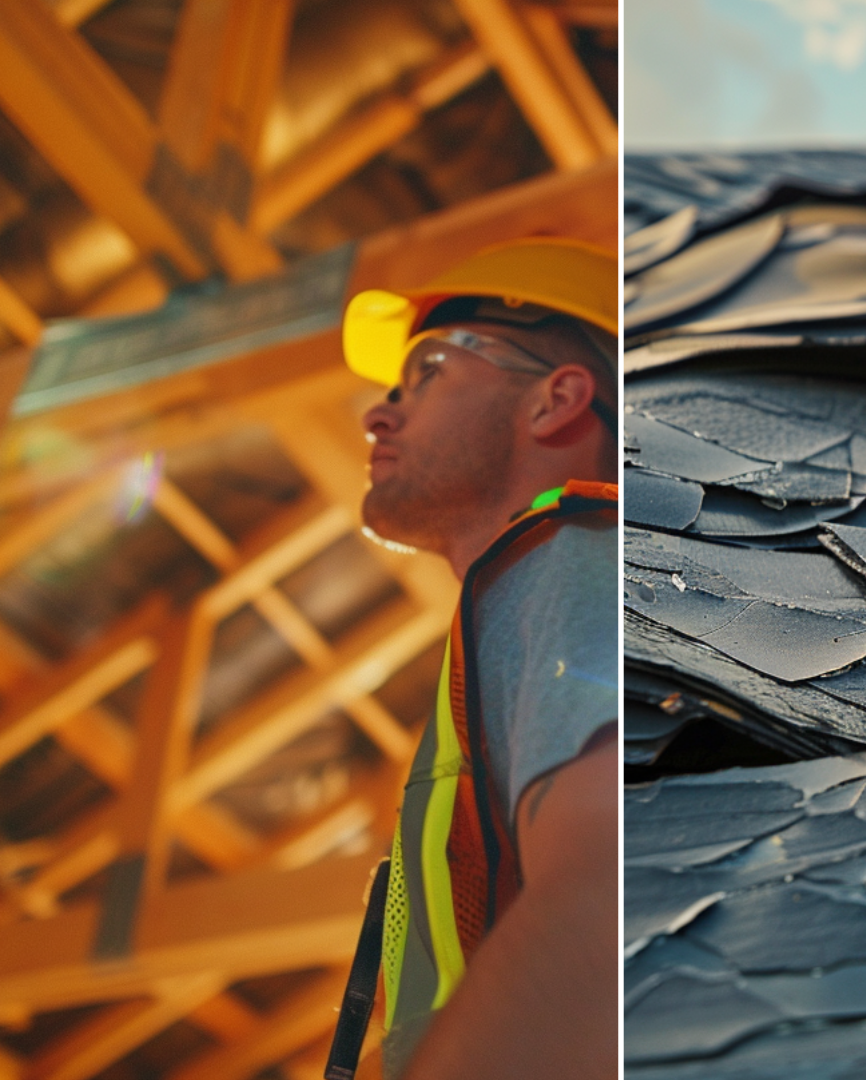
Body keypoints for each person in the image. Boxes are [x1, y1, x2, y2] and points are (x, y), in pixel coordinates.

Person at [324, 238, 618, 1080]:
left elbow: (606, 899)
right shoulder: (537, 592)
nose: (379, 415)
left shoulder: (567, 560)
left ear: (555, 400)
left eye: (428, 374)